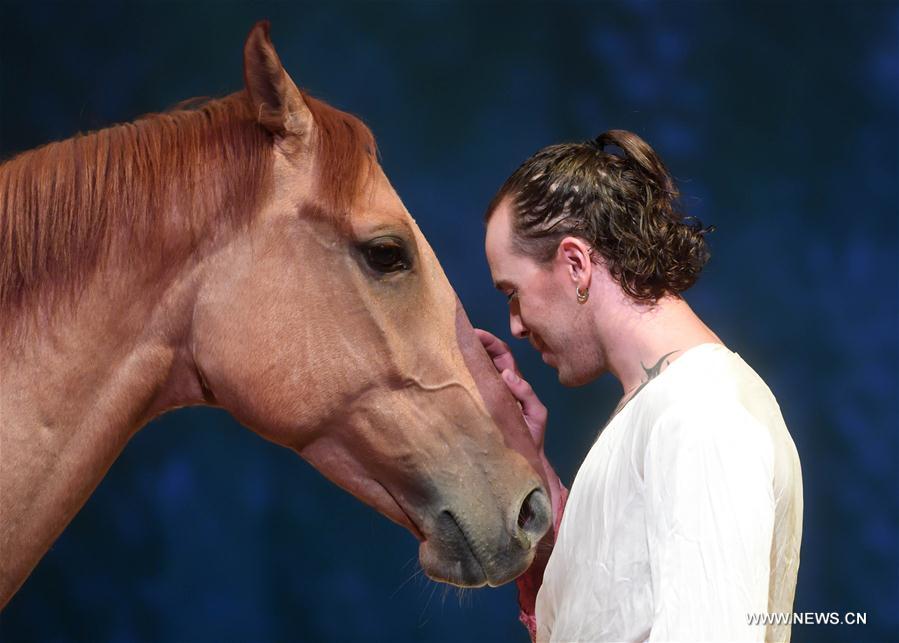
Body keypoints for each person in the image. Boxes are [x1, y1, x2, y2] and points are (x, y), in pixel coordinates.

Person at [476, 129, 803, 642]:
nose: (514, 324)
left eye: (513, 292)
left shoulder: (699, 411)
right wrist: (535, 473)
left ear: (576, 264)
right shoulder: (667, 409)